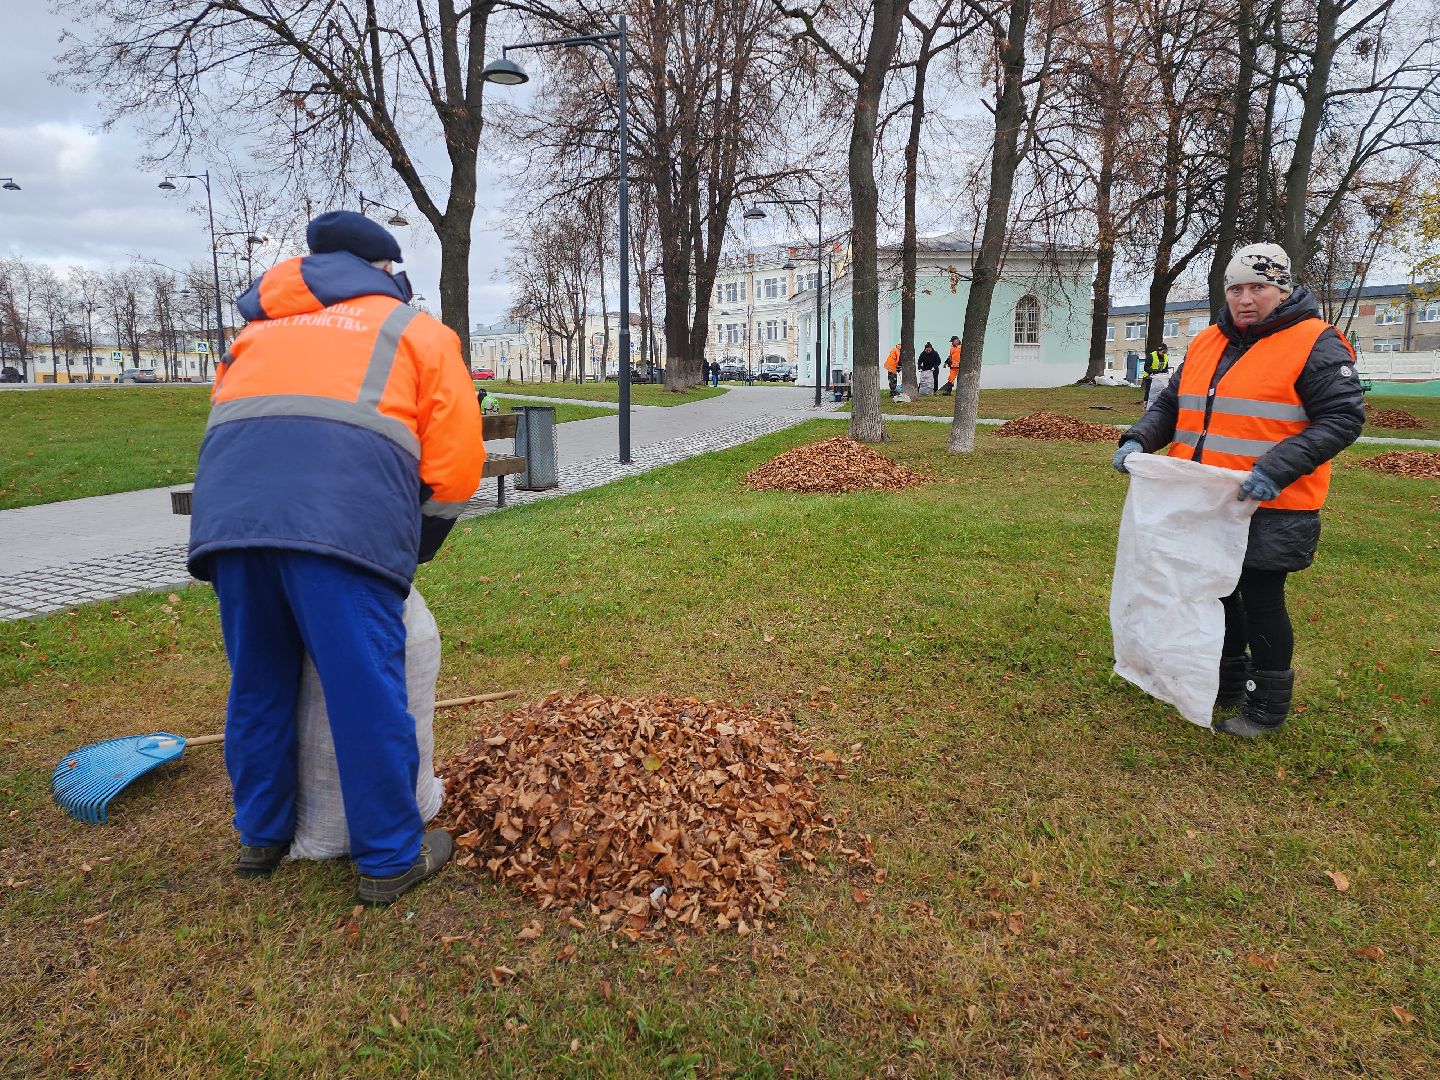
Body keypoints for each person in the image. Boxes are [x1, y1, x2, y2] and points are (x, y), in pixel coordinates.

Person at [188, 211, 486, 902]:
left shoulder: (254, 331)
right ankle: (387, 859)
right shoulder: (415, 331)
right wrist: (417, 545)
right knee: (364, 689)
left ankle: (261, 835)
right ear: (386, 272)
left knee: (259, 680)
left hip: (231, 525)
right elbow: (457, 464)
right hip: (339, 530)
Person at [1112, 243, 1364, 738]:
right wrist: (1138, 437)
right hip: (1208, 498)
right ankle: (1225, 681)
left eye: (1258, 287)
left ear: (1282, 289)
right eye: (1236, 288)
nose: (1245, 298)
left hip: (1273, 499)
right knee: (1217, 592)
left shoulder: (1316, 342)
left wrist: (1275, 468)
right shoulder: (1209, 341)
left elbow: (1342, 417)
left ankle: (1265, 706)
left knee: (1261, 597)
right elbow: (1173, 406)